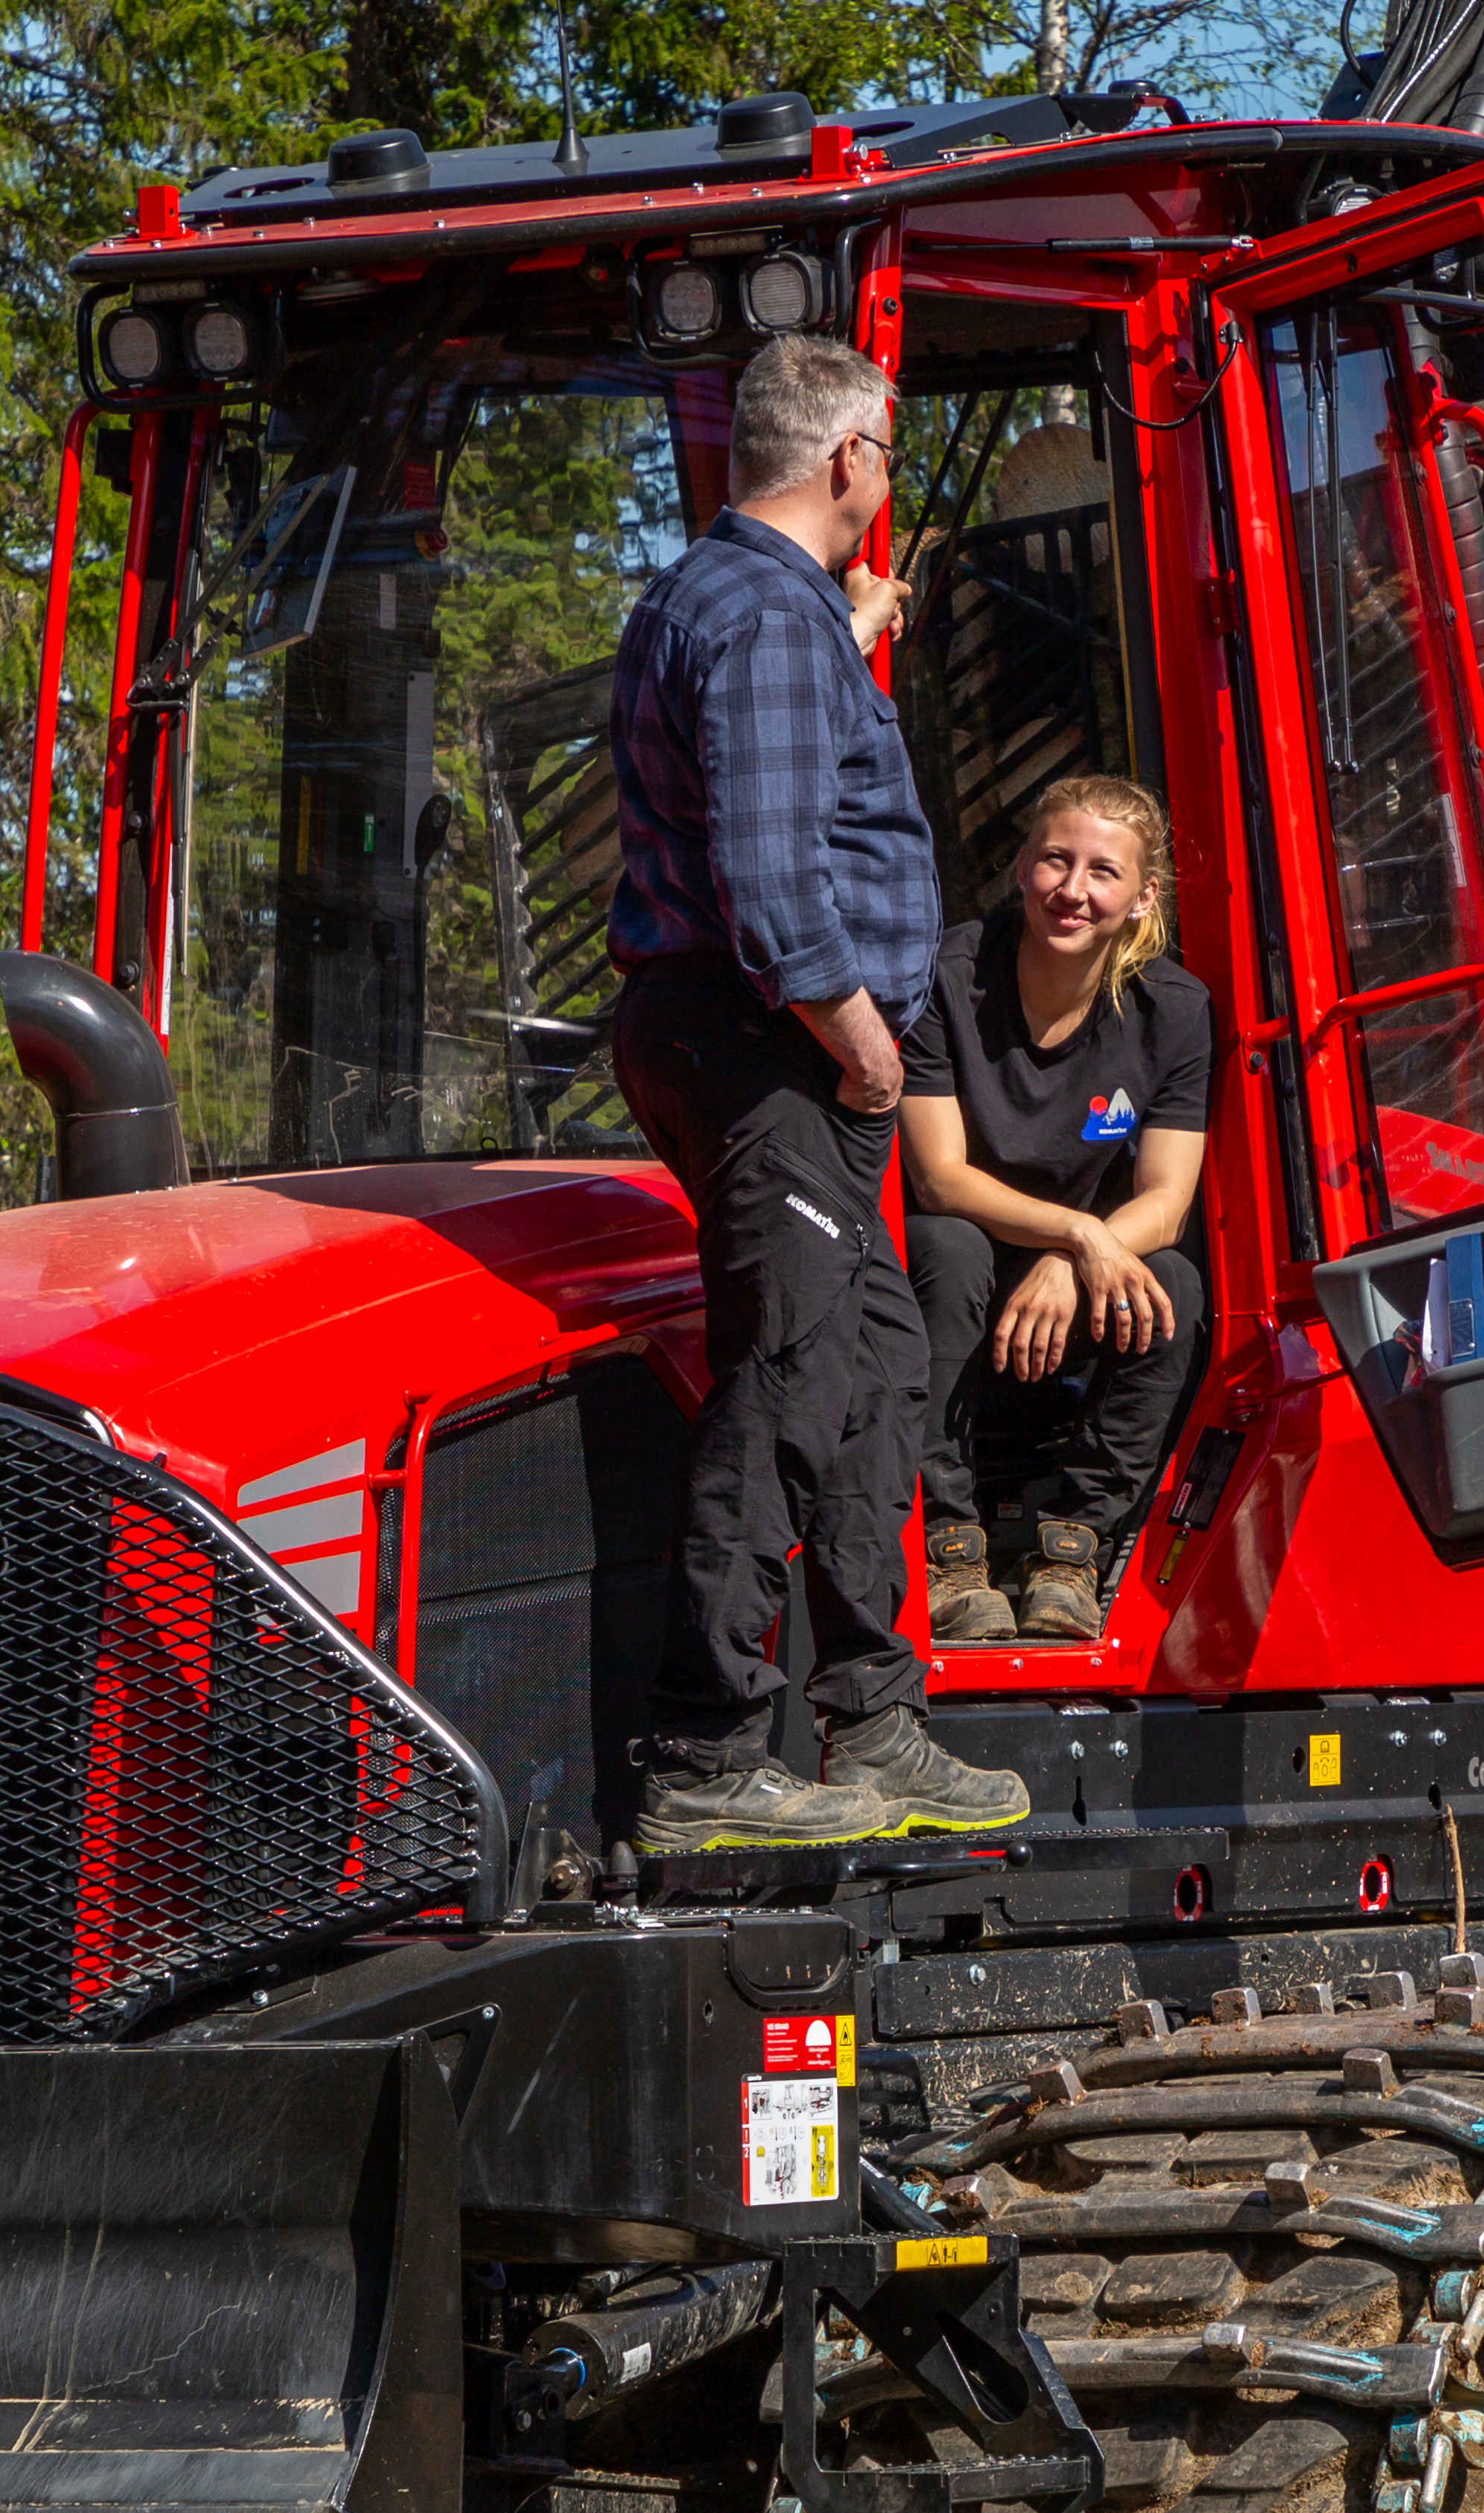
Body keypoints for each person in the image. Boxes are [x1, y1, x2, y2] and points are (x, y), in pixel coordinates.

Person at [602, 330, 1024, 1853]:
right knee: (788, 1375)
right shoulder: (770, 631)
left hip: (742, 1032)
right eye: (890, 455)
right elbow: (776, 887)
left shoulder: (724, 605)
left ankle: (874, 1715)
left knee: (880, 1363)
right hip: (774, 1040)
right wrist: (863, 1051)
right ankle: (707, 1750)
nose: (887, 479)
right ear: (849, 461)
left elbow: (764, 773)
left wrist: (850, 638)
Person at [897, 777, 1212, 1644]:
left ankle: (1071, 1552)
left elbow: (1169, 1202)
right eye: (1054, 860)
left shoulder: (1174, 1012)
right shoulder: (945, 977)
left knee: (1173, 1287)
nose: (1073, 890)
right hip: (961, 1269)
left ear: (1143, 897)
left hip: (1072, 1283)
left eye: (1103, 872)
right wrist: (1077, 1235)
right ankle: (947, 1550)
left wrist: (1081, 1262)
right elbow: (939, 1179)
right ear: (1021, 869)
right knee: (947, 1246)